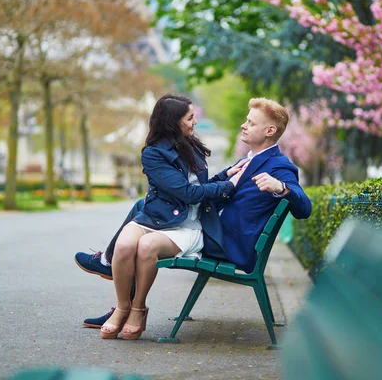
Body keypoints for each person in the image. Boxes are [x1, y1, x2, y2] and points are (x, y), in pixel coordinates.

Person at [76, 97, 312, 330]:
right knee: (146, 208)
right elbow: (215, 190)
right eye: (246, 120)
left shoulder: (278, 166)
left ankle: (116, 286)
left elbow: (304, 208)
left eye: (251, 122)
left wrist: (281, 188)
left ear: (270, 130)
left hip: (222, 240)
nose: (244, 125)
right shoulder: (249, 160)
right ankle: (115, 283)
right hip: (212, 226)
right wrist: (226, 175)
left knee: (145, 227)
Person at [78, 94, 245, 341]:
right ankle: (121, 306)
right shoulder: (154, 154)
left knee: (145, 244)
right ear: (173, 122)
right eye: (190, 117)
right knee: (125, 245)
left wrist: (225, 177)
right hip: (160, 220)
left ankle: (137, 309)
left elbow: (197, 186)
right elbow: (188, 193)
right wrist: (228, 186)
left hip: (189, 226)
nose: (194, 122)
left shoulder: (192, 145)